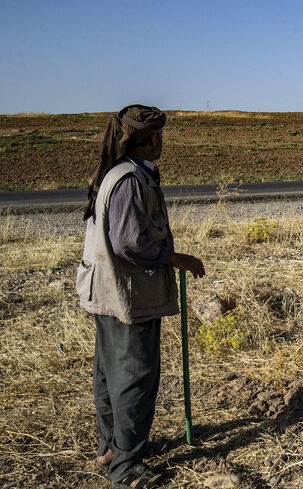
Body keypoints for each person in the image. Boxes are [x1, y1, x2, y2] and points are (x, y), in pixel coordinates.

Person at [76, 104, 205, 489]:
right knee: (135, 377)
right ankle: (126, 469)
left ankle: (113, 448)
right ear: (152, 139)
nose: (162, 142)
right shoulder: (130, 179)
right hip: (126, 296)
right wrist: (174, 257)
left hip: (107, 292)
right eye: (160, 136)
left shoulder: (116, 173)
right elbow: (130, 242)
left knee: (110, 373)